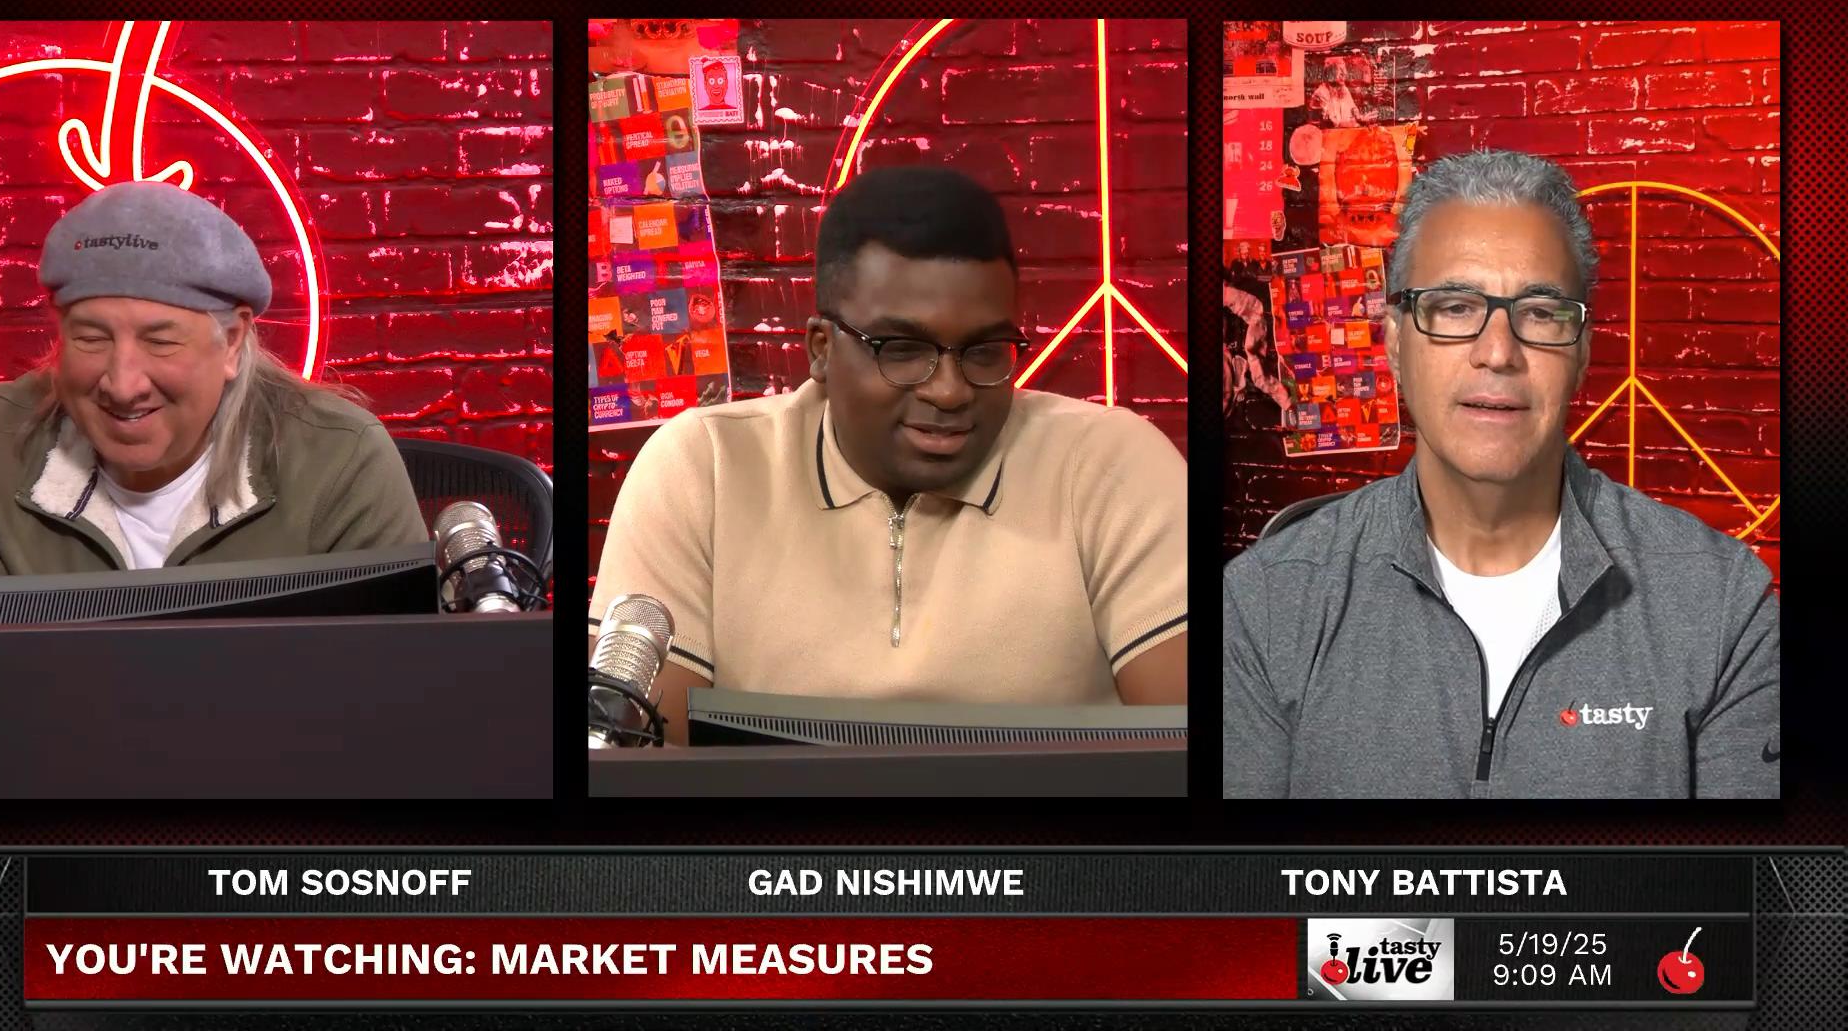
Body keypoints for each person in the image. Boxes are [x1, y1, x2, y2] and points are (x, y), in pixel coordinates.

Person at [1223, 149, 1779, 799]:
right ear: (1395, 342)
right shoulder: (1267, 602)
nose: (1497, 352)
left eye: (1540, 313)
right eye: (1455, 307)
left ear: (1582, 353)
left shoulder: (1721, 606)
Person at [591, 166, 1188, 744]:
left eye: (984, 351)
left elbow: (1193, 751)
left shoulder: (1113, 467)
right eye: (902, 349)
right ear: (821, 349)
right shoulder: (704, 469)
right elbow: (642, 761)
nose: (949, 391)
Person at [0, 180, 426, 575]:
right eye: (91, 339)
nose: (123, 385)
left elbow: (392, 638)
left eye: (160, 342)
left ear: (232, 342)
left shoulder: (341, 462)